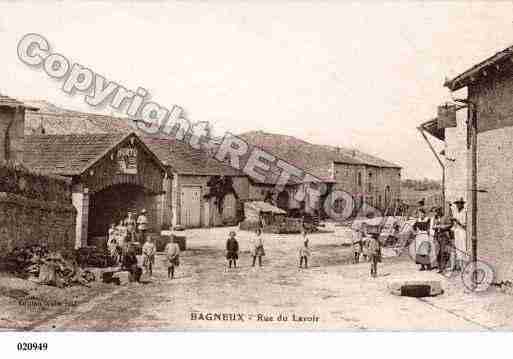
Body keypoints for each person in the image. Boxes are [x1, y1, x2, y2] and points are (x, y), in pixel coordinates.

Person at [452, 198, 467, 272]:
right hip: (457, 231)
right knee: (458, 248)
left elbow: (464, 225)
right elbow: (455, 225)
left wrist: (458, 222)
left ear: (462, 204)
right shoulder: (456, 212)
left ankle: (464, 266)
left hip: (462, 231)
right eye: (457, 204)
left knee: (463, 247)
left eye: (459, 203)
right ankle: (460, 266)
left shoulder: (464, 212)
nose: (458, 205)